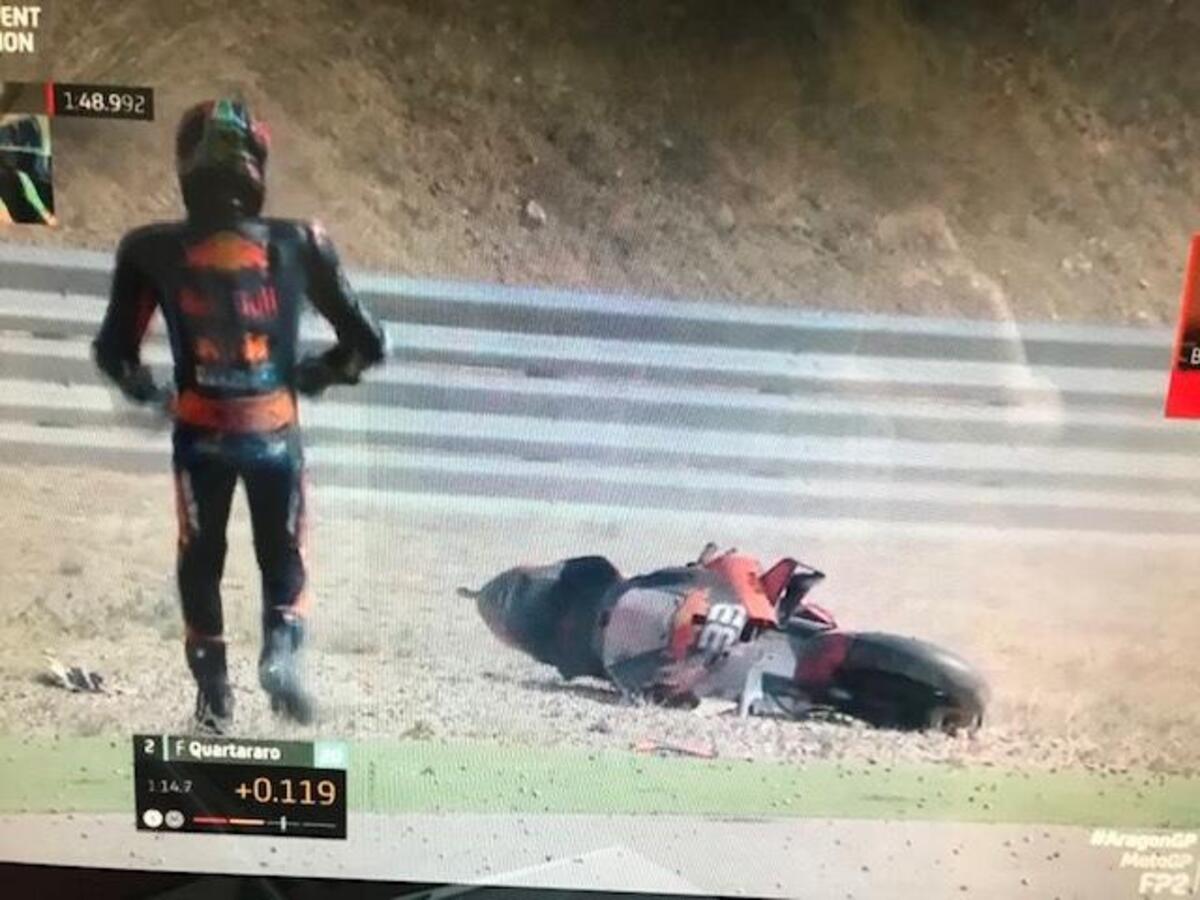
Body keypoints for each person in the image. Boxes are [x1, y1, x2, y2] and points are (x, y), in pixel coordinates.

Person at [93, 99, 386, 733]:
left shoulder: (149, 249)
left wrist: (152, 392)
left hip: (200, 431)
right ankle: (280, 657)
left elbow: (115, 352)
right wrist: (321, 372)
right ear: (256, 164)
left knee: (201, 558)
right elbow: (368, 341)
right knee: (283, 554)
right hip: (273, 429)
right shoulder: (301, 242)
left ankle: (214, 698)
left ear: (188, 165)